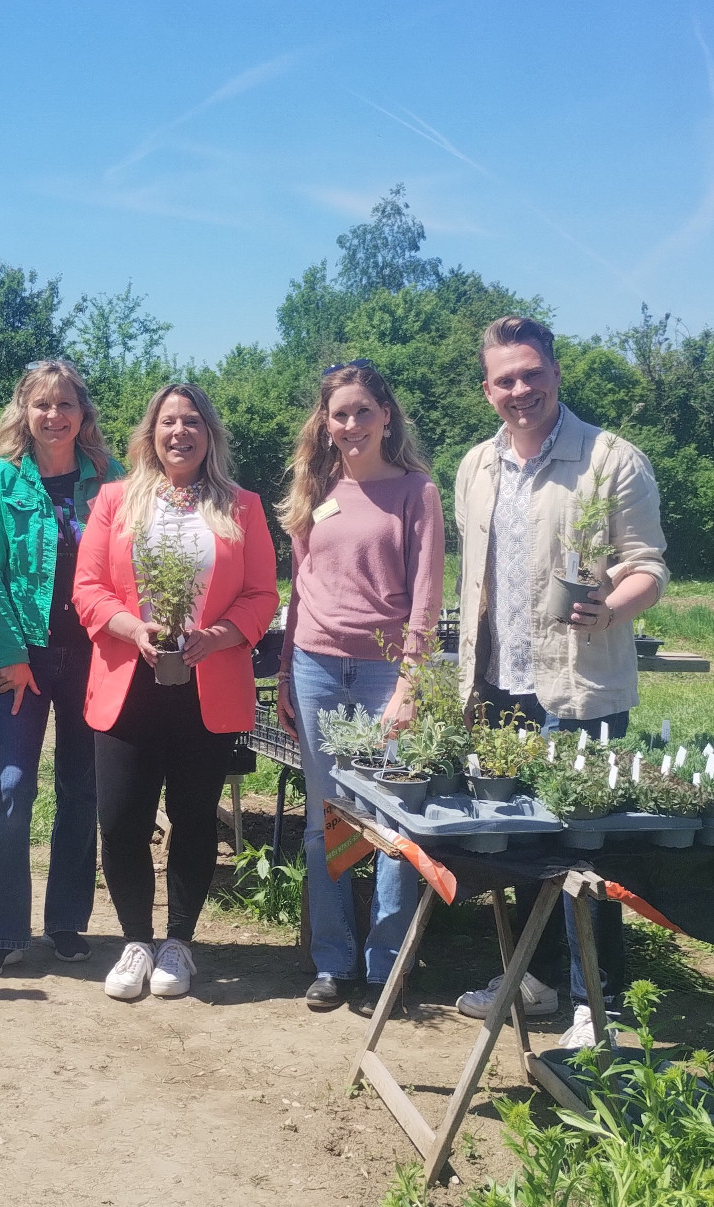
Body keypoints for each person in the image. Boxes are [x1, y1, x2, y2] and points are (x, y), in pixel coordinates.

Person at [453, 316, 668, 1047]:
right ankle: (536, 979)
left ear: (554, 373)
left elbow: (649, 566)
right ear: (487, 390)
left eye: (530, 373)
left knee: (586, 849)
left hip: (576, 686)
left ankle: (595, 1003)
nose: (520, 389)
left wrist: (608, 607)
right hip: (496, 687)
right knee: (521, 847)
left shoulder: (609, 460)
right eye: (504, 379)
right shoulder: (476, 467)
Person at [74, 383, 279, 1000]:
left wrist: (218, 636)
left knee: (194, 821)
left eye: (191, 422)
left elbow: (263, 595)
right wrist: (134, 628)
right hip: (128, 684)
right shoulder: (115, 501)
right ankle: (135, 940)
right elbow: (88, 587)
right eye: (168, 422)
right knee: (120, 819)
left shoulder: (242, 506)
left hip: (206, 685)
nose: (179, 433)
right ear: (151, 433)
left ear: (208, 434)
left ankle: (179, 944)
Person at [275, 360, 445, 1013]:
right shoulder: (314, 491)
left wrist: (409, 683)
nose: (350, 425)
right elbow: (300, 591)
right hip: (316, 666)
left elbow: (426, 599)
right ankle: (333, 960)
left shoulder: (415, 492)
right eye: (338, 414)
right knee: (327, 822)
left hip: (382, 674)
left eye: (362, 413)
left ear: (385, 416)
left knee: (390, 821)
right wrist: (288, 672)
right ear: (326, 422)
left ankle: (386, 966)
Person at [0, 360, 124, 977]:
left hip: (94, 657)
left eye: (66, 405)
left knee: (81, 789)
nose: (54, 416)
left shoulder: (112, 483)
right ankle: (1, 931)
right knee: (11, 788)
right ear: (23, 413)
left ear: (83, 413)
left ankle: (65, 922)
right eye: (42, 405)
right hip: (20, 660)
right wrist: (13, 654)